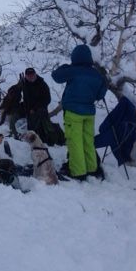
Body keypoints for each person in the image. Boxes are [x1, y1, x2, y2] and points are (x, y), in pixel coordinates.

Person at [52, 44, 107, 180]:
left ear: (74, 57)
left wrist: (66, 67)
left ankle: (78, 171)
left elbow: (56, 76)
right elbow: (100, 95)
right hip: (89, 112)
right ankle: (91, 168)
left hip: (73, 112)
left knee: (74, 141)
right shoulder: (96, 74)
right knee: (88, 141)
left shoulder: (73, 70)